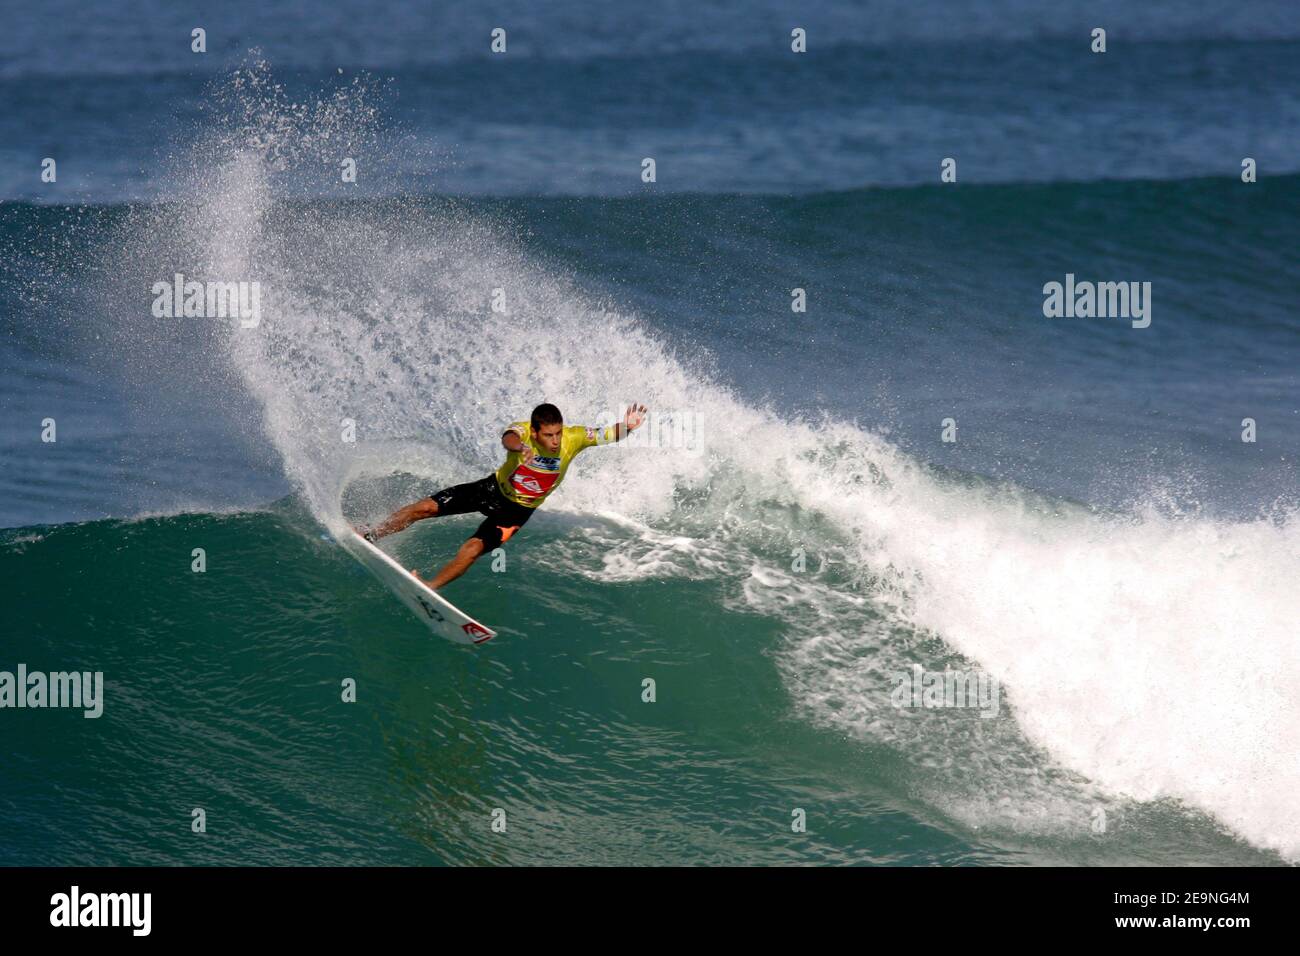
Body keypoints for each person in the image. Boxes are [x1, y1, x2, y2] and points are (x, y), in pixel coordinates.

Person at [362, 402, 648, 589]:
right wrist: (518, 448)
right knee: (423, 508)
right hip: (491, 489)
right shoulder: (523, 433)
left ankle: (429, 587)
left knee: (473, 549)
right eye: (549, 435)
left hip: (516, 512)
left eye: (558, 433)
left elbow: (607, 434)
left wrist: (628, 427)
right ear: (535, 432)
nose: (556, 440)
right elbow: (508, 437)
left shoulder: (573, 438)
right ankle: (372, 535)